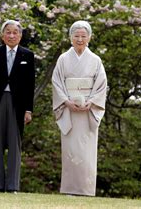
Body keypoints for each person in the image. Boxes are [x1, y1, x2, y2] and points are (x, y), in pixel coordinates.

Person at [51, 20, 107, 196]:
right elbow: (57, 83)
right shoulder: (63, 59)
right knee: (70, 150)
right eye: (76, 36)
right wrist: (66, 101)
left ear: (89, 38)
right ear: (70, 38)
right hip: (69, 111)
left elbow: (101, 85)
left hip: (87, 112)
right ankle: (69, 189)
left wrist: (91, 102)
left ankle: (86, 189)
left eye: (83, 36)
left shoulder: (96, 60)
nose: (80, 39)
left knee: (87, 151)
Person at [0, 20, 35, 193]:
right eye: (8, 32)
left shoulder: (27, 55)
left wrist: (28, 109)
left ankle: (12, 186)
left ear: (20, 35)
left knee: (14, 143)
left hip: (17, 104)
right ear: (3, 35)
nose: (11, 35)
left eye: (15, 32)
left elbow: (30, 85)